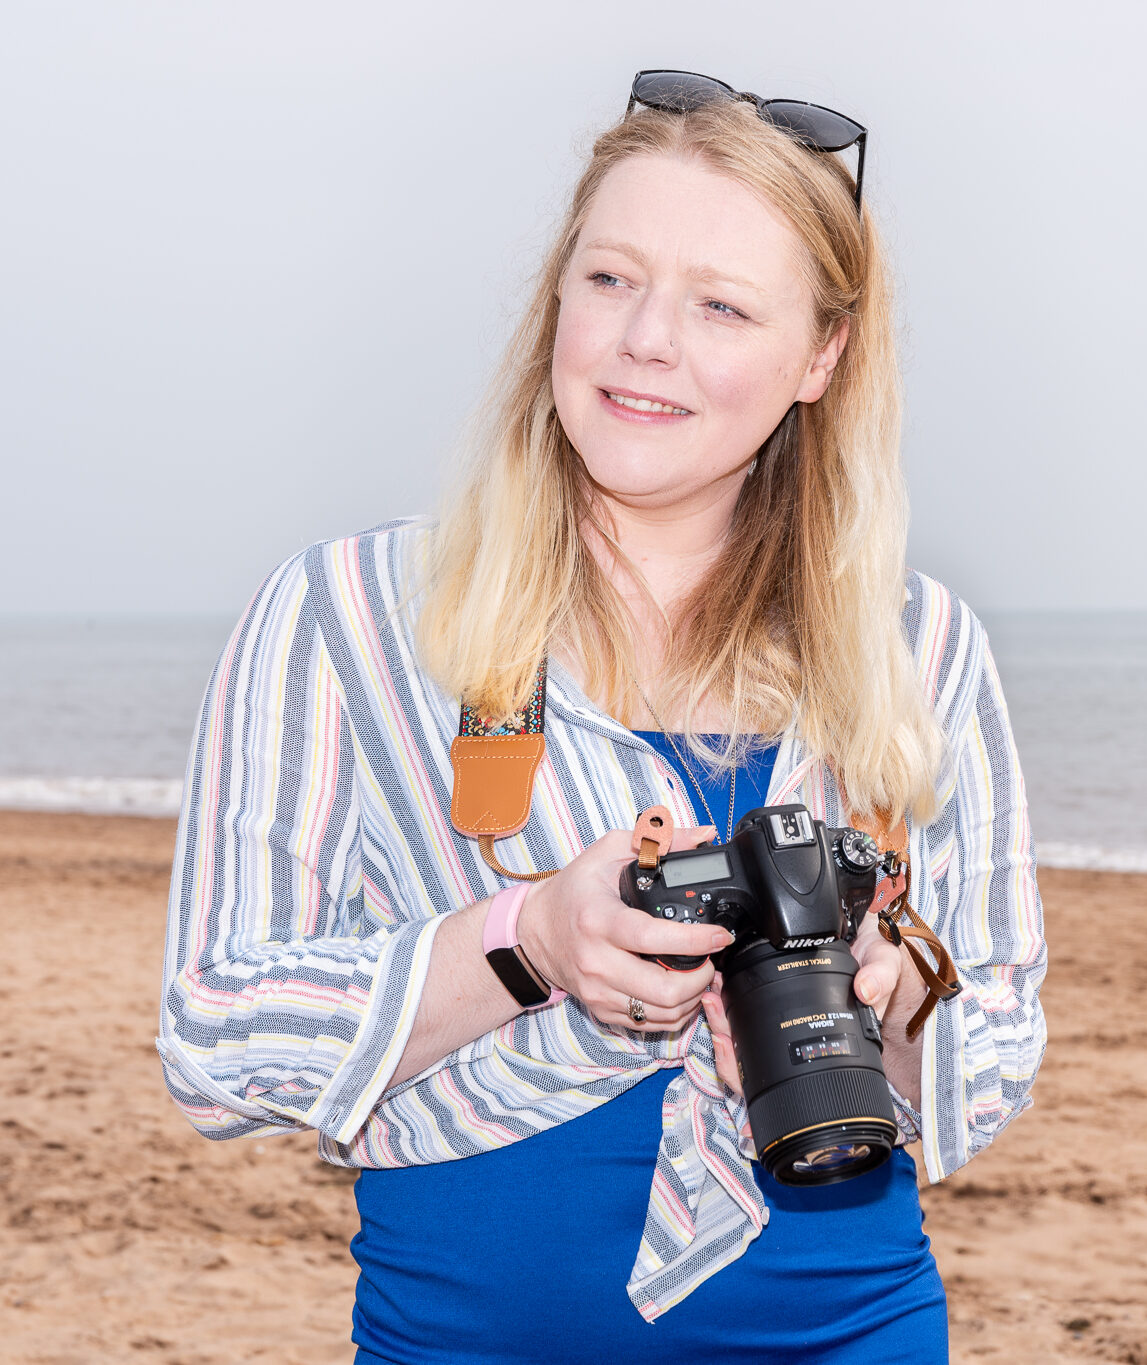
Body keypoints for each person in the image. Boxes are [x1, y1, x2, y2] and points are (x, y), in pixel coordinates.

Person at [158, 70, 1046, 1364]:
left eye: (722, 306)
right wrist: (528, 940)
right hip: (460, 1338)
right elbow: (214, 1035)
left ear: (819, 355)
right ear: (554, 302)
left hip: (851, 1325)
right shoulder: (349, 616)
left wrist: (889, 1002)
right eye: (610, 279)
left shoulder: (916, 646)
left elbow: (1000, 1048)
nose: (646, 339)